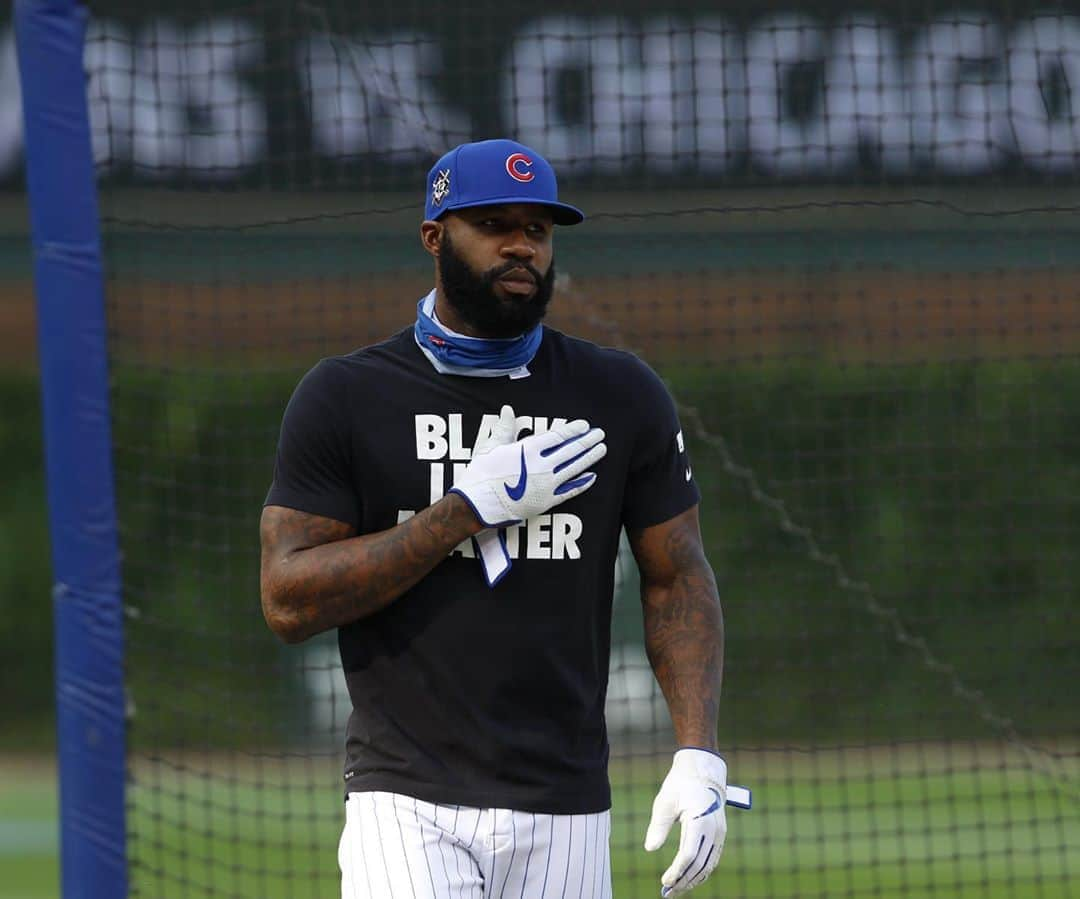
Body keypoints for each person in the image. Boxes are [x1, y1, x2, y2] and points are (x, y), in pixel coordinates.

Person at [260, 138, 730, 898]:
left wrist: (697, 751)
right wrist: (462, 511)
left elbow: (677, 575)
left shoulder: (620, 393)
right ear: (434, 235)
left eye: (538, 230)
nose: (520, 246)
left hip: (567, 806)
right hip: (405, 800)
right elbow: (286, 597)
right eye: (493, 224)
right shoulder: (347, 396)